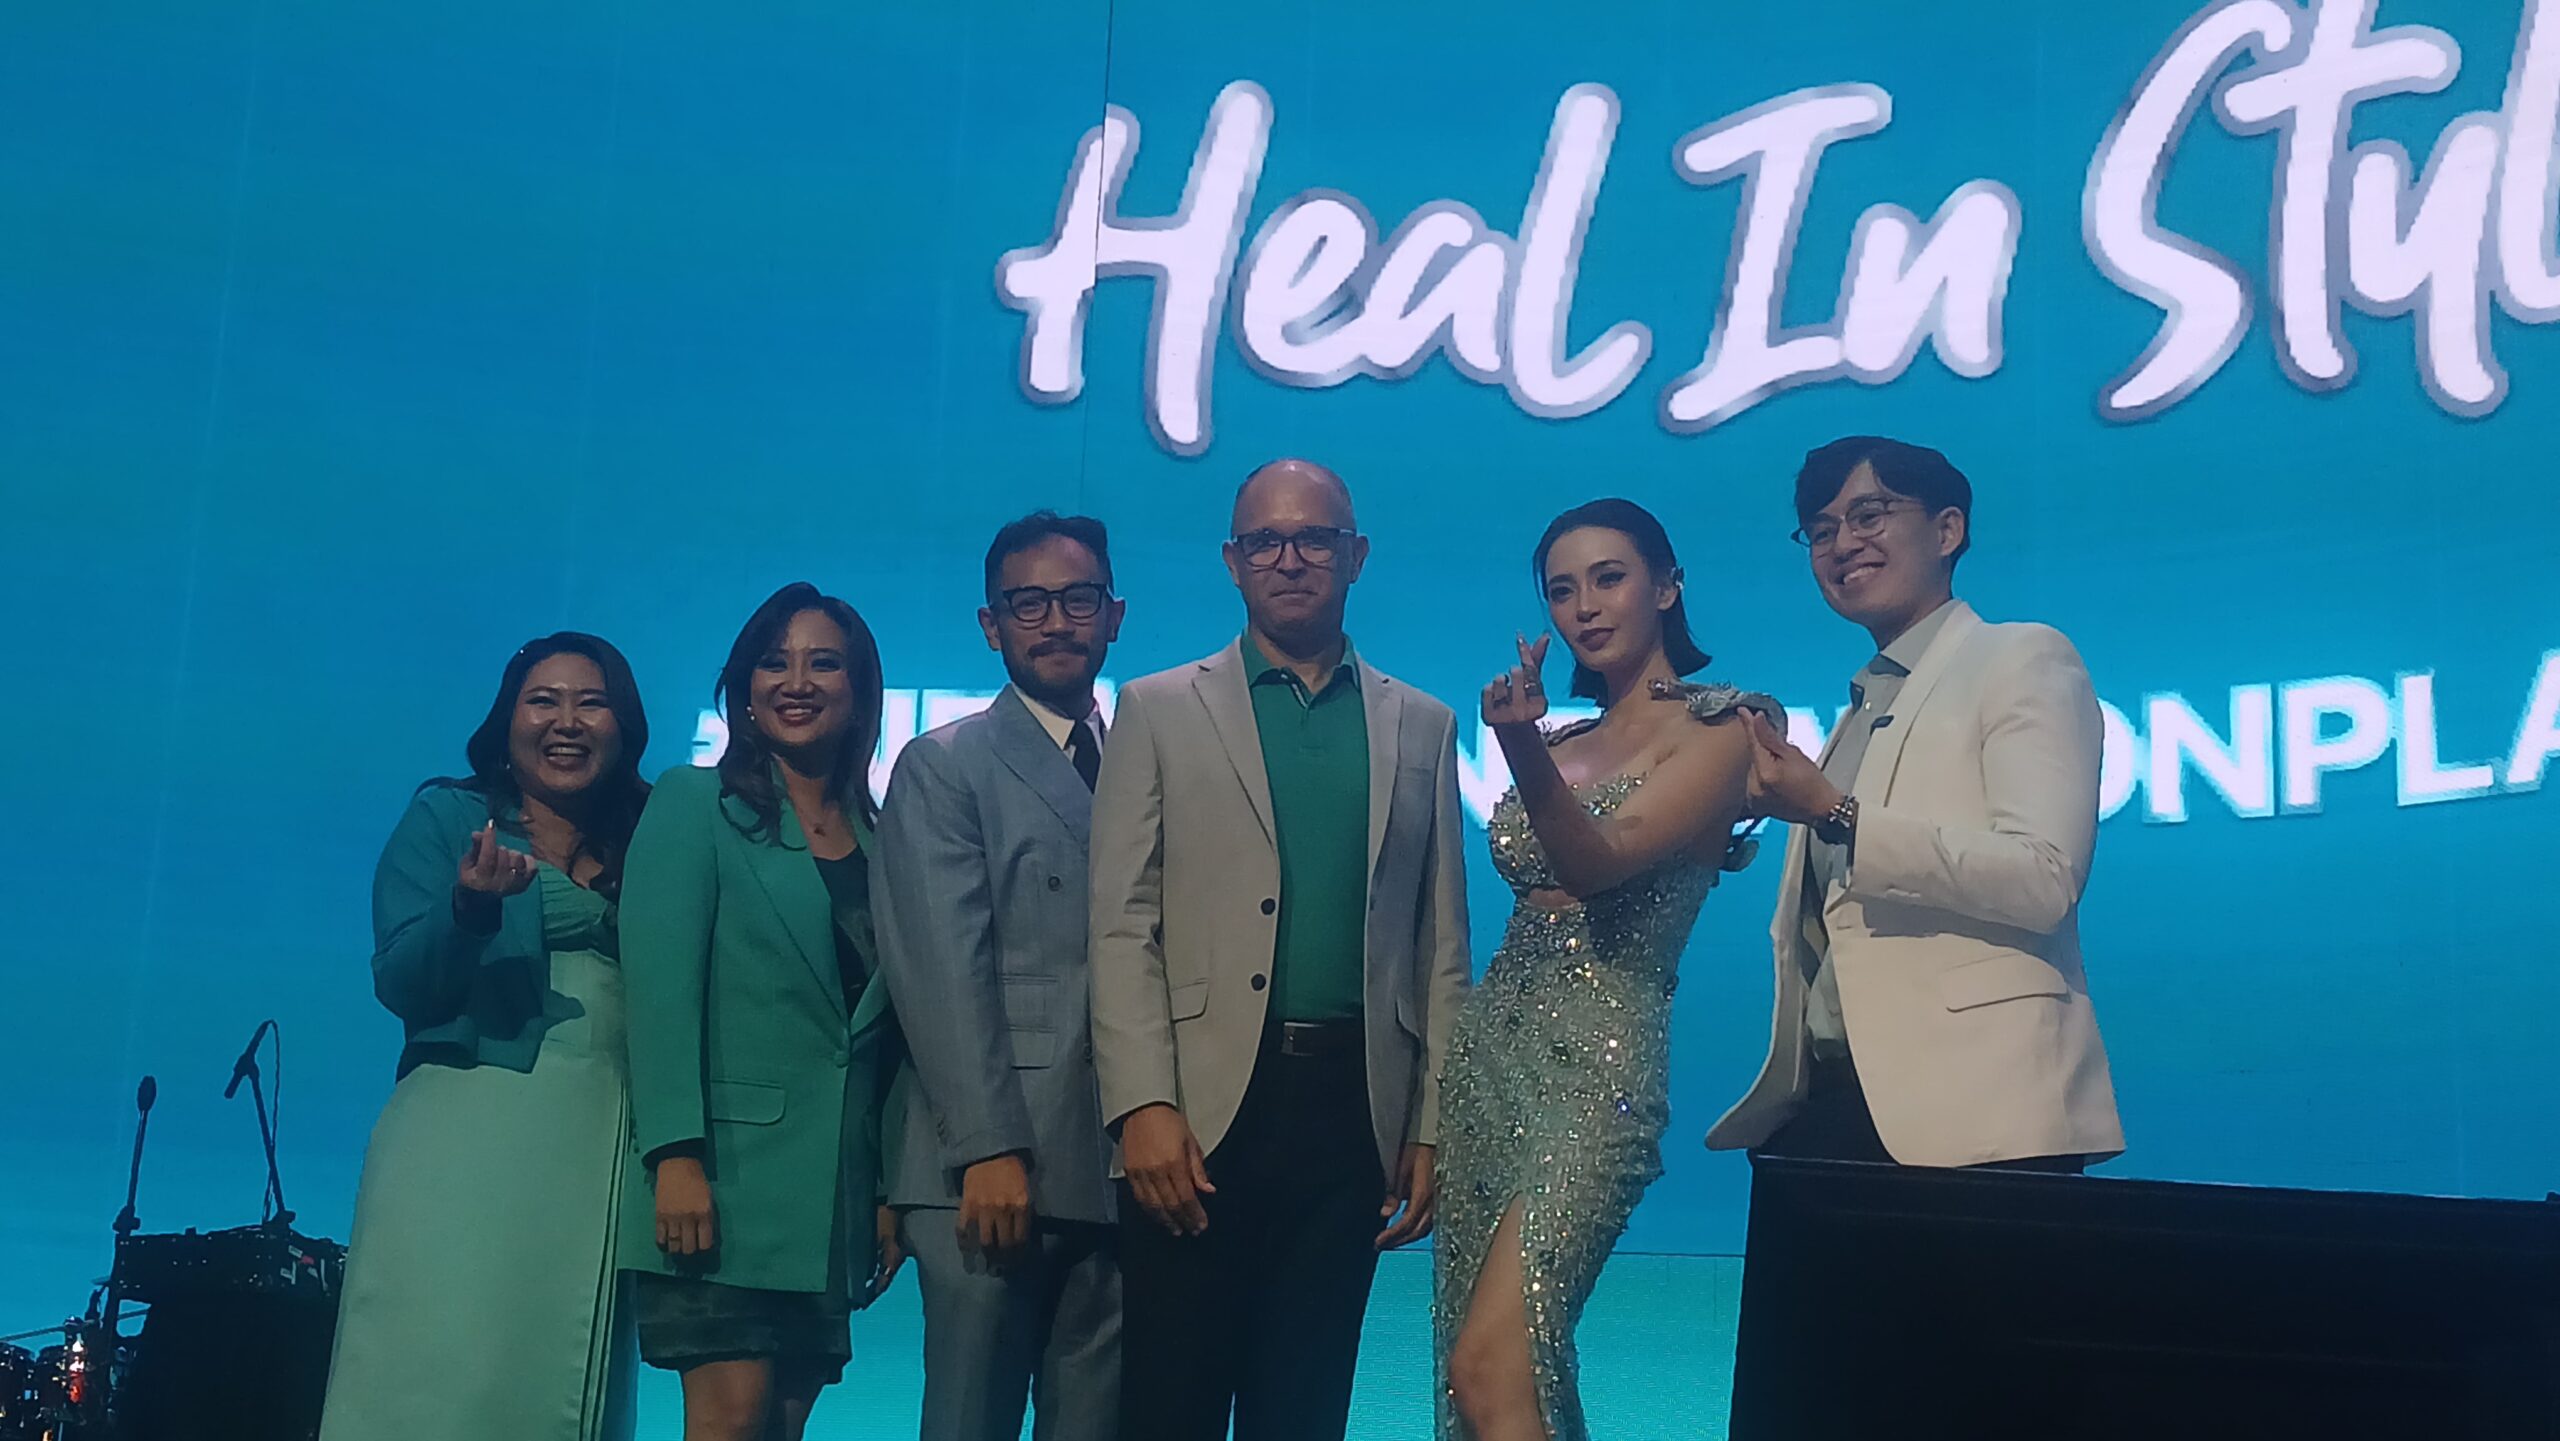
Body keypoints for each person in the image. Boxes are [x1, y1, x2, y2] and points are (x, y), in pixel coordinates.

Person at [1087, 458, 1471, 1441]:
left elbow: (1439, 944)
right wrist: (1141, 1102)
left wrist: (1432, 1122)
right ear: (1231, 560)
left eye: (1313, 539)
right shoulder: (1157, 708)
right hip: (1198, 1108)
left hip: (1350, 1111)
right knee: (1167, 1405)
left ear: (1356, 555)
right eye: (1264, 540)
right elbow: (1121, 921)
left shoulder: (1422, 724)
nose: (1288, 558)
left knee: (1303, 1407)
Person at [1434, 500, 1776, 1441]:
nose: (1584, 605)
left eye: (1609, 577)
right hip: (1487, 1065)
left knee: (1491, 1364)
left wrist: (1514, 745)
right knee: (1495, 1371)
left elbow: (1598, 861)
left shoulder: (1722, 727)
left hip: (1599, 1072)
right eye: (1561, 589)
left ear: (1667, 586)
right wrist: (1530, 742)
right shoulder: (1560, 742)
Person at [1706, 436, 2123, 1171]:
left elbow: (2045, 878)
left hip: (1987, 1113)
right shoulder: (1862, 707)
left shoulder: (2021, 656)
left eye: (1869, 516)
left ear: (1947, 529)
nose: (1844, 545)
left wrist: (1839, 815)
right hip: (1838, 1105)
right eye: (1821, 531)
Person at [320, 632, 653, 1441]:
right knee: (435, 1371)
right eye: (543, 701)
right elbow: (401, 982)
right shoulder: (449, 817)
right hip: (461, 1140)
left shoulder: (655, 836)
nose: (566, 721)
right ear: (506, 722)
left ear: (625, 726)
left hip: (600, 1137)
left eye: (592, 702)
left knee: (553, 1381)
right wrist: (468, 910)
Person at [620, 583, 907, 1441]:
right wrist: (674, 1155)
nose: (797, 681)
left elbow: (886, 1038)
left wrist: (888, 1190)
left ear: (860, 690)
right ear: (743, 687)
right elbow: (659, 990)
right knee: (731, 1417)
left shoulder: (885, 837)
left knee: (781, 1423)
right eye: (774, 662)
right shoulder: (694, 802)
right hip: (722, 1185)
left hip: (830, 1197)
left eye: (824, 663)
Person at [873, 512, 1126, 1441]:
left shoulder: (1144, 762)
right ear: (991, 625)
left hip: (1117, 1159)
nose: (1055, 621)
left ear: (1115, 616)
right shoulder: (945, 764)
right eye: (1029, 603)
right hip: (988, 1162)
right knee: (969, 1420)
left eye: (1078, 599)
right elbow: (941, 969)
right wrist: (986, 1148)